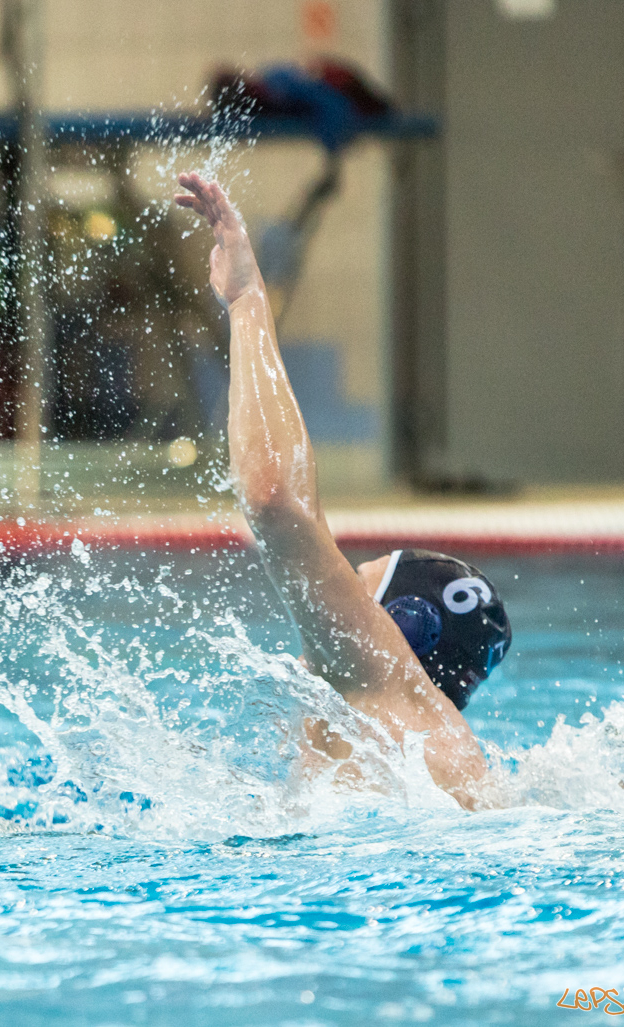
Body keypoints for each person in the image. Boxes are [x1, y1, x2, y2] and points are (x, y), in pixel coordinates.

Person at [174, 173, 511, 808]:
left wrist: (248, 301)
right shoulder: (414, 732)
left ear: (399, 626)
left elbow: (275, 499)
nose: (326, 592)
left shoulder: (382, 685)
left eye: (355, 583)